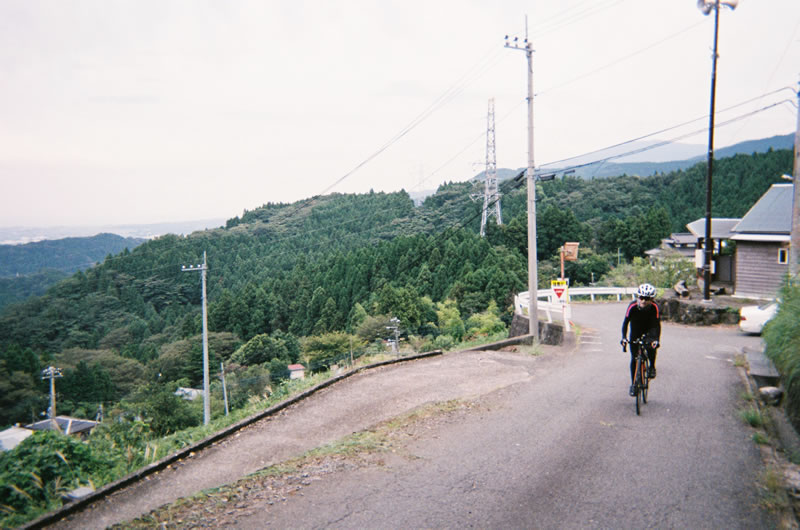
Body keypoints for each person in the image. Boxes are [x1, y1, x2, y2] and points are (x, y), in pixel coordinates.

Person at [621, 283, 661, 396]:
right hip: (636, 330)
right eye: (641, 298)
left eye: (647, 299)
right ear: (638, 297)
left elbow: (657, 325)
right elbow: (625, 323)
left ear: (652, 299)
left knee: (651, 346)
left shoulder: (655, 307)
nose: (643, 301)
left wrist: (656, 340)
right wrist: (624, 338)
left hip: (649, 329)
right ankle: (634, 384)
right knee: (634, 358)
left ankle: (652, 366)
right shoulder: (632, 306)